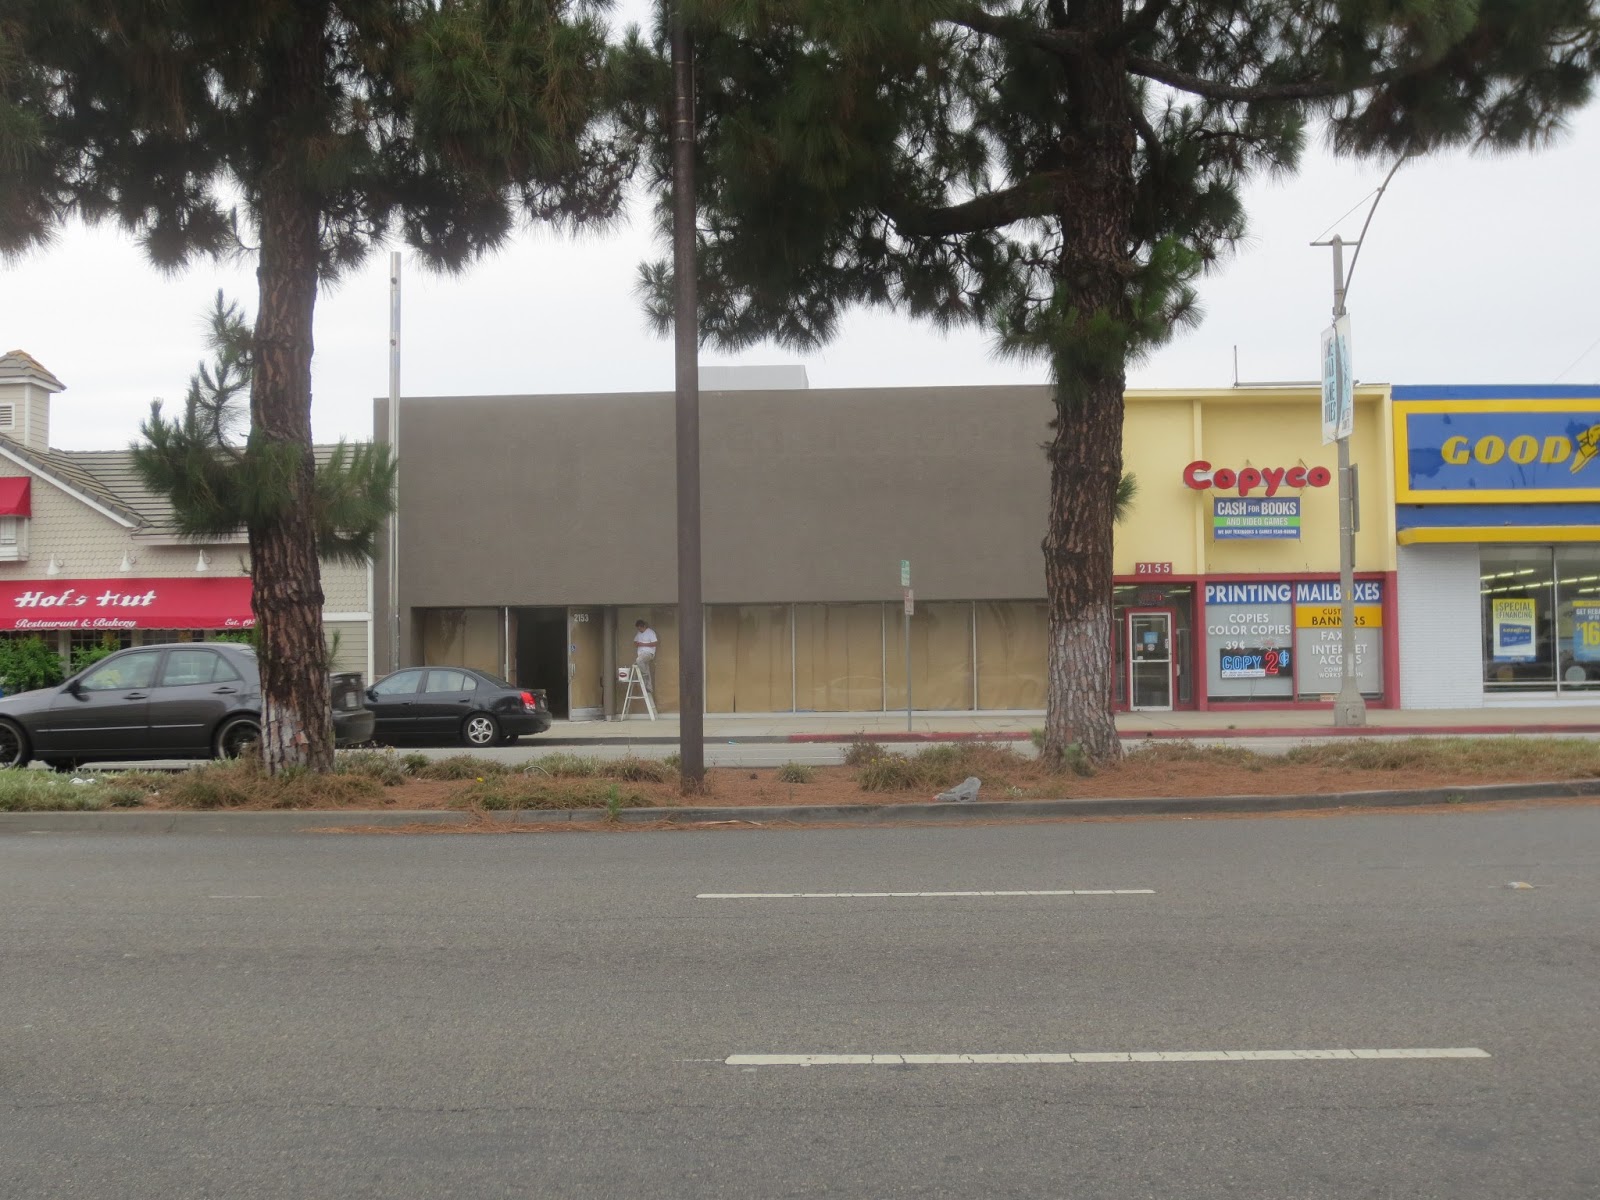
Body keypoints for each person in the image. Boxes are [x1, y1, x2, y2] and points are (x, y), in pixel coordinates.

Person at [633, 619, 658, 694]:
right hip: (641, 654)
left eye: (640, 628)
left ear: (644, 626)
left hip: (648, 653)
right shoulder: (639, 633)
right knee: (646, 668)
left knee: (639, 661)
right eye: (638, 629)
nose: (639, 630)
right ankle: (649, 688)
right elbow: (634, 642)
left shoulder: (650, 632)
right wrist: (637, 644)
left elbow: (655, 643)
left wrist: (643, 644)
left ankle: (644, 675)